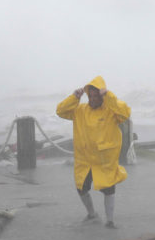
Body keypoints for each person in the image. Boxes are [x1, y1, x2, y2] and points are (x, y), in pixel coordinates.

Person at [55, 76, 131, 228]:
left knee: (109, 189)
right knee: (81, 188)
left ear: (102, 96)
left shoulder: (111, 111)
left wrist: (108, 96)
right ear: (88, 95)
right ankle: (91, 214)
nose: (94, 99)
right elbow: (60, 111)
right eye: (91, 96)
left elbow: (125, 113)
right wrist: (74, 97)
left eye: (97, 96)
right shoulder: (80, 111)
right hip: (85, 160)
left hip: (104, 160)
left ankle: (110, 221)